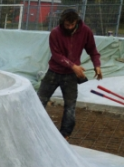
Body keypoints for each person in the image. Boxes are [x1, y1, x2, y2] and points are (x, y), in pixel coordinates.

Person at [37, 8, 102, 139]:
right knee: (39, 100)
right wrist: (73, 66)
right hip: (54, 72)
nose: (70, 27)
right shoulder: (55, 33)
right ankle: (34, 127)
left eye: (72, 25)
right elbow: (56, 55)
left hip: (70, 76)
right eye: (67, 25)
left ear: (77, 22)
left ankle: (65, 134)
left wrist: (97, 65)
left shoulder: (85, 31)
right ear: (62, 22)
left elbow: (93, 50)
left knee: (70, 106)